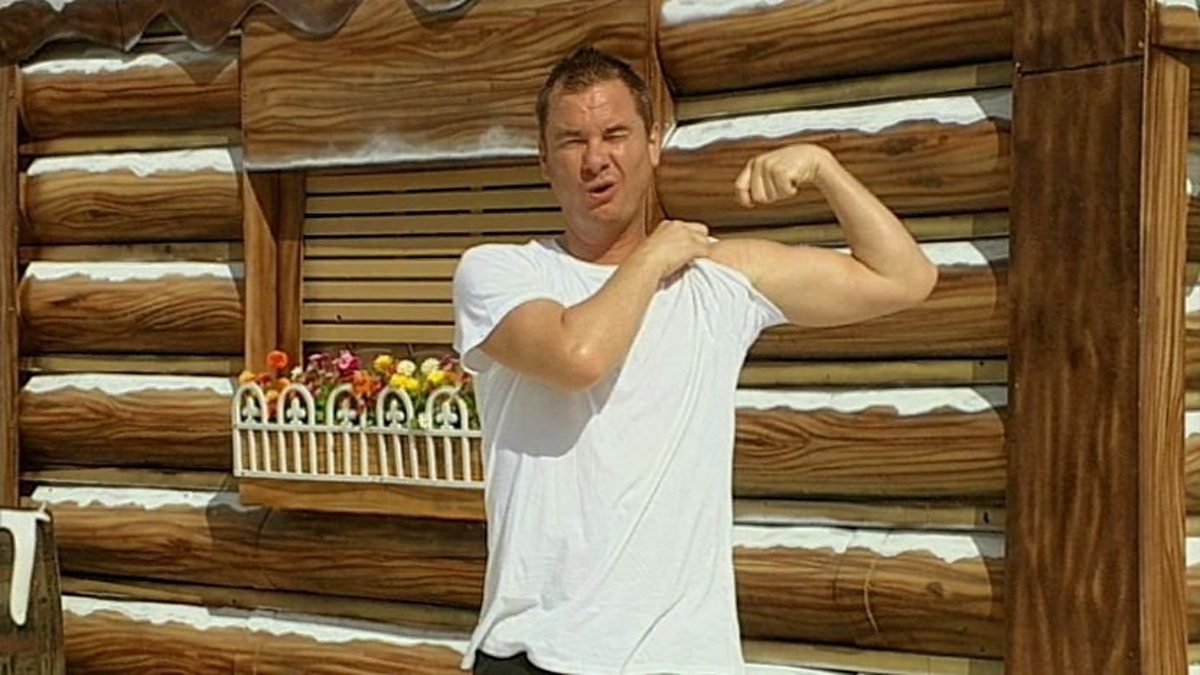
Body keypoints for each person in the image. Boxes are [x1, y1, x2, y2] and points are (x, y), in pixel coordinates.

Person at [452, 46, 937, 675]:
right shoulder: (501, 273)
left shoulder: (716, 280)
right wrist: (653, 256)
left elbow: (904, 279)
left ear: (653, 143)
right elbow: (579, 355)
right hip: (534, 654)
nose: (596, 159)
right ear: (545, 160)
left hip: (681, 657)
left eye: (615, 135)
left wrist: (825, 168)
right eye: (572, 141)